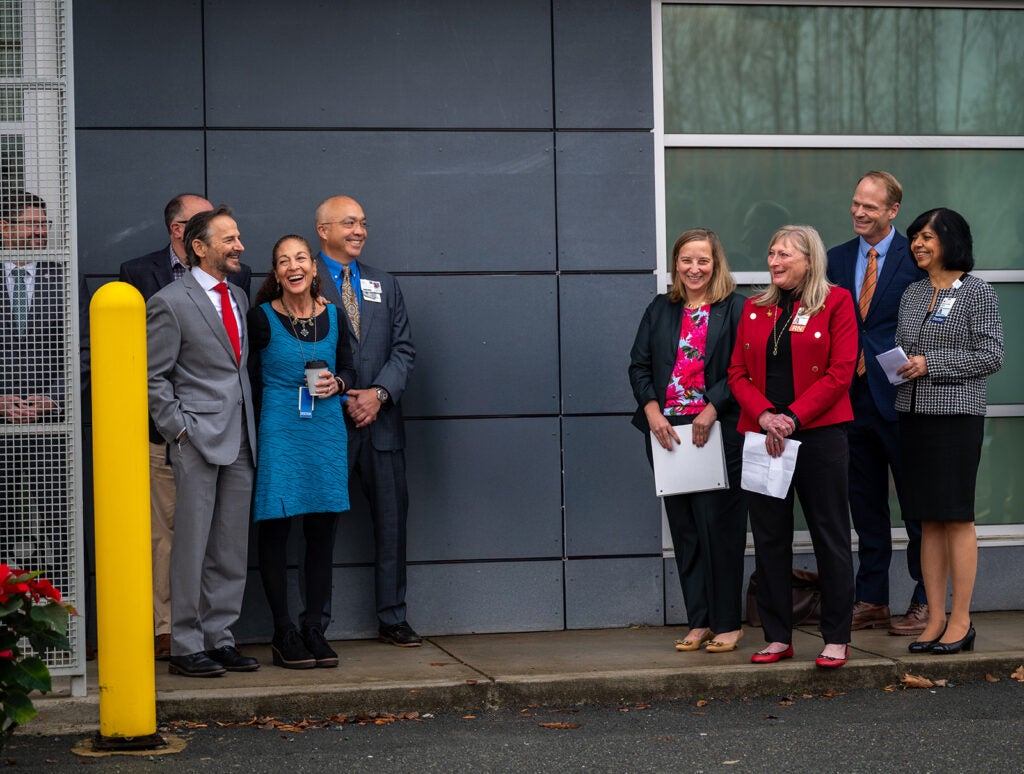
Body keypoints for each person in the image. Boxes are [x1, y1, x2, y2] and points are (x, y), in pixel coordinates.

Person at [119, 193, 253, 661]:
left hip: (241, 441)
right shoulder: (169, 302)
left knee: (230, 549)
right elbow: (152, 377)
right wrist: (179, 430)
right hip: (195, 440)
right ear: (200, 247)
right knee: (190, 548)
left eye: (238, 237)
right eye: (230, 239)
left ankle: (222, 638)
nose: (240, 245)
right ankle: (186, 643)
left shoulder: (236, 295)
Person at [728, 225, 857, 668]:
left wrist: (794, 417)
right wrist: (766, 416)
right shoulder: (754, 308)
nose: (775, 261)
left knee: (830, 535)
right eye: (771, 253)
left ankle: (836, 637)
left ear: (809, 260)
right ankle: (777, 635)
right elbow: (736, 374)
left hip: (820, 435)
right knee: (768, 539)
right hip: (765, 437)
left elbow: (841, 373)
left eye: (785, 254)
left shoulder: (836, 302)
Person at [628, 228, 747, 654]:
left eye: (703, 260)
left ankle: (728, 623)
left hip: (717, 430)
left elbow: (743, 368)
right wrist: (653, 411)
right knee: (686, 531)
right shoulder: (661, 308)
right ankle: (699, 621)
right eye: (686, 260)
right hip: (668, 434)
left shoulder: (736, 308)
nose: (694, 269)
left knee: (721, 530)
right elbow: (638, 365)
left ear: (717, 263)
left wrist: (712, 407)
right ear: (675, 264)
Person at [895, 208, 1003, 655]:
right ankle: (935, 617)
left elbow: (990, 354)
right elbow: (904, 349)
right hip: (912, 415)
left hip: (956, 416)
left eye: (927, 237)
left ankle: (962, 619)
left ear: (951, 239)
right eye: (915, 237)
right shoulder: (913, 293)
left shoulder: (978, 292)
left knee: (956, 516)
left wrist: (931, 364)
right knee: (927, 519)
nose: (918, 244)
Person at [826, 171, 929, 636]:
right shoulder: (837, 258)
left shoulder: (918, 258)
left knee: (917, 506)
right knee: (865, 506)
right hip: (851, 400)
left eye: (870, 206)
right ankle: (871, 600)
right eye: (855, 204)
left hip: (904, 398)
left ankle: (925, 598)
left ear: (892, 212)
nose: (859, 212)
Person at [313, 196, 419, 646]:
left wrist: (376, 395)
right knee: (318, 528)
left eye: (363, 223)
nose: (360, 230)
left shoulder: (384, 283)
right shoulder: (302, 277)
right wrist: (342, 397)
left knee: (392, 523)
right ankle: (313, 624)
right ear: (324, 230)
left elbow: (404, 350)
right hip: (325, 426)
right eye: (349, 223)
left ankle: (393, 617)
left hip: (381, 425)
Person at [248, 235, 356, 669]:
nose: (293, 267)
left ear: (313, 268)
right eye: (282, 261)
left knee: (321, 534)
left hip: (326, 430)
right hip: (279, 429)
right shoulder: (260, 318)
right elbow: (246, 380)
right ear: (276, 274)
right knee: (275, 530)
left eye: (300, 259)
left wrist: (340, 384)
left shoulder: (335, 314)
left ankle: (314, 627)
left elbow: (349, 366)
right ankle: (283, 632)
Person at [0, 191, 69, 590]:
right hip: (1, 427)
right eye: (31, 224)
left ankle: (63, 612)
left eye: (44, 225)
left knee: (59, 525)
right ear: (5, 228)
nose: (40, 232)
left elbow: (83, 349)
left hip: (54, 429)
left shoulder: (63, 274)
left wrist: (53, 398)